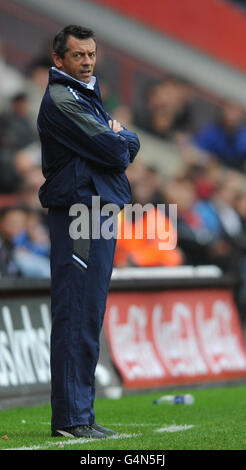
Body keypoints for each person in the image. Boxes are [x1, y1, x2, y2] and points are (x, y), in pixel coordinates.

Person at [37, 25, 140, 439]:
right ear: (58, 58)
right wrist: (118, 137)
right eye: (78, 55)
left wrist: (121, 139)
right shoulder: (63, 99)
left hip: (96, 210)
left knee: (89, 313)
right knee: (77, 312)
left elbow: (128, 143)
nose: (86, 62)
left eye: (92, 55)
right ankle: (70, 418)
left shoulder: (84, 94)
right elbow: (119, 148)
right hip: (80, 210)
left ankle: (82, 414)